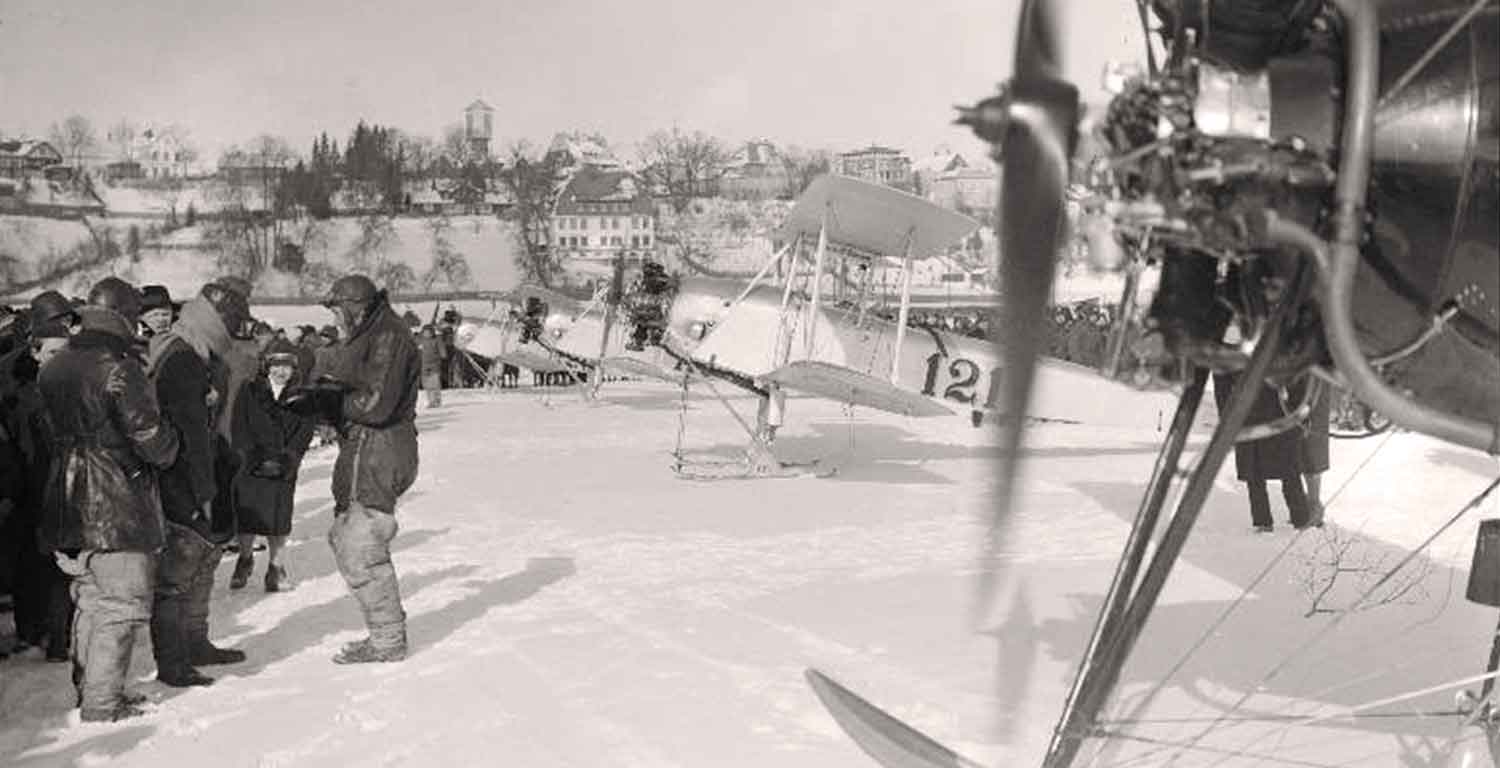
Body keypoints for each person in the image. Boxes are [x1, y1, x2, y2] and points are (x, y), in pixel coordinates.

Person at [38, 278, 180, 722]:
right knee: (119, 605)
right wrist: (173, 443)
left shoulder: (56, 364)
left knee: (90, 599)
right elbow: (149, 437)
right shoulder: (120, 366)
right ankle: (102, 701)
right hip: (115, 500)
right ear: (123, 315)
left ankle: (90, 691)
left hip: (65, 497)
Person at [290, 274, 420, 664]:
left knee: (360, 544)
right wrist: (319, 397)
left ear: (354, 305)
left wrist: (328, 402)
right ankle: (385, 633)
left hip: (379, 448)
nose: (334, 317)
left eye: (336, 308)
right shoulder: (372, 330)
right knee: (347, 537)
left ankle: (388, 640)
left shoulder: (387, 336)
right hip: (366, 446)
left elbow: (376, 405)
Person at [144, 282, 249, 687]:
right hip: (182, 480)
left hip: (189, 476)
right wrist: (201, 491)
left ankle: (195, 643)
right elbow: (189, 435)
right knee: (177, 573)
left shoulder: (187, 350)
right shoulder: (184, 360)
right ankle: (173, 661)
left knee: (200, 565)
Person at [0, 294, 76, 661]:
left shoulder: (69, 373)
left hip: (57, 478)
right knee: (30, 557)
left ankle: (56, 632)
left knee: (55, 557)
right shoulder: (14, 379)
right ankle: (34, 627)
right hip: (26, 479)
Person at [229, 339, 316, 592]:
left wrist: (290, 457)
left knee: (279, 518)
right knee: (248, 516)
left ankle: (276, 568)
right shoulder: (249, 390)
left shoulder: (303, 396)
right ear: (266, 366)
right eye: (276, 365)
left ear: (294, 369)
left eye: (287, 366)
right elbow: (239, 425)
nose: (281, 371)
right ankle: (244, 559)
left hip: (283, 466)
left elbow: (305, 431)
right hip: (252, 464)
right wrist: (251, 455)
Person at [1213, 371, 1316, 532]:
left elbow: (1298, 379)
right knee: (1256, 473)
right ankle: (1265, 521)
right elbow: (1222, 388)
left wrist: (1301, 416)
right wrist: (1227, 421)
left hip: (1279, 416)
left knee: (1288, 471)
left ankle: (1300, 519)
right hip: (1249, 417)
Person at [416, 325, 445, 408]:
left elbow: (442, 352)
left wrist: (442, 354)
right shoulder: (420, 340)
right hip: (424, 365)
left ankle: (436, 401)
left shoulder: (437, 340)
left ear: (432, 332)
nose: (427, 334)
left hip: (434, 365)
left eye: (429, 332)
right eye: (425, 332)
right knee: (427, 384)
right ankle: (430, 401)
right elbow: (414, 348)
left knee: (435, 383)